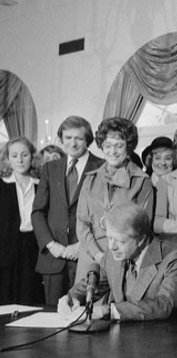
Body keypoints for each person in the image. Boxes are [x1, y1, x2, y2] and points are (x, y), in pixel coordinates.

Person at [58, 201, 177, 322]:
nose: (111, 246)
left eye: (120, 241)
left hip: (156, 339)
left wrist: (108, 311)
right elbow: (93, 286)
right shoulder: (112, 256)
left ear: (141, 239)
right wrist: (70, 298)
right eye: (109, 238)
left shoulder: (174, 258)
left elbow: (163, 305)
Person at [32, 116, 104, 306]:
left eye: (78, 138)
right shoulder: (50, 168)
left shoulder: (102, 167)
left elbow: (103, 215)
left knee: (82, 315)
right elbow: (38, 212)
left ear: (87, 140)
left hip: (85, 256)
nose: (73, 143)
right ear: (61, 139)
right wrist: (50, 244)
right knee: (52, 317)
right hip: (53, 258)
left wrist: (82, 245)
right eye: (68, 137)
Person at [76, 117, 155, 283]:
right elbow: (81, 222)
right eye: (108, 146)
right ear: (101, 147)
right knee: (81, 306)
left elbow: (142, 229)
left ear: (129, 148)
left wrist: (111, 259)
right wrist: (97, 255)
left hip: (124, 259)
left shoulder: (142, 182)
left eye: (119, 145)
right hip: (90, 258)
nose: (113, 151)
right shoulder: (90, 179)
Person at [0, 137, 44, 305]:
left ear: (32, 158)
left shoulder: (40, 185)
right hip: (6, 249)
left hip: (33, 246)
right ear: (7, 159)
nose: (20, 160)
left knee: (30, 297)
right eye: (14, 155)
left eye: (24, 155)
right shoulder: (2, 185)